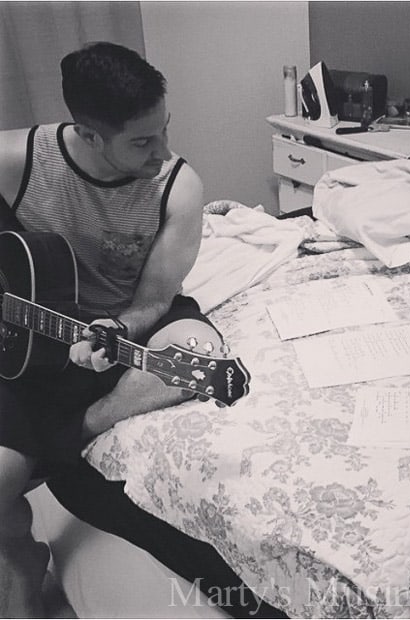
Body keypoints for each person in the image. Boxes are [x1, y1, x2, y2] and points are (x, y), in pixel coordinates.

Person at [0, 42, 224, 616]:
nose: (164, 153)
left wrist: (116, 327)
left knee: (198, 354)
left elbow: (154, 299)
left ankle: (83, 428)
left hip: (124, 323)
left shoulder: (179, 185)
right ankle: (21, 562)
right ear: (89, 134)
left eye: (164, 131)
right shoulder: (17, 159)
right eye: (143, 141)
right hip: (32, 336)